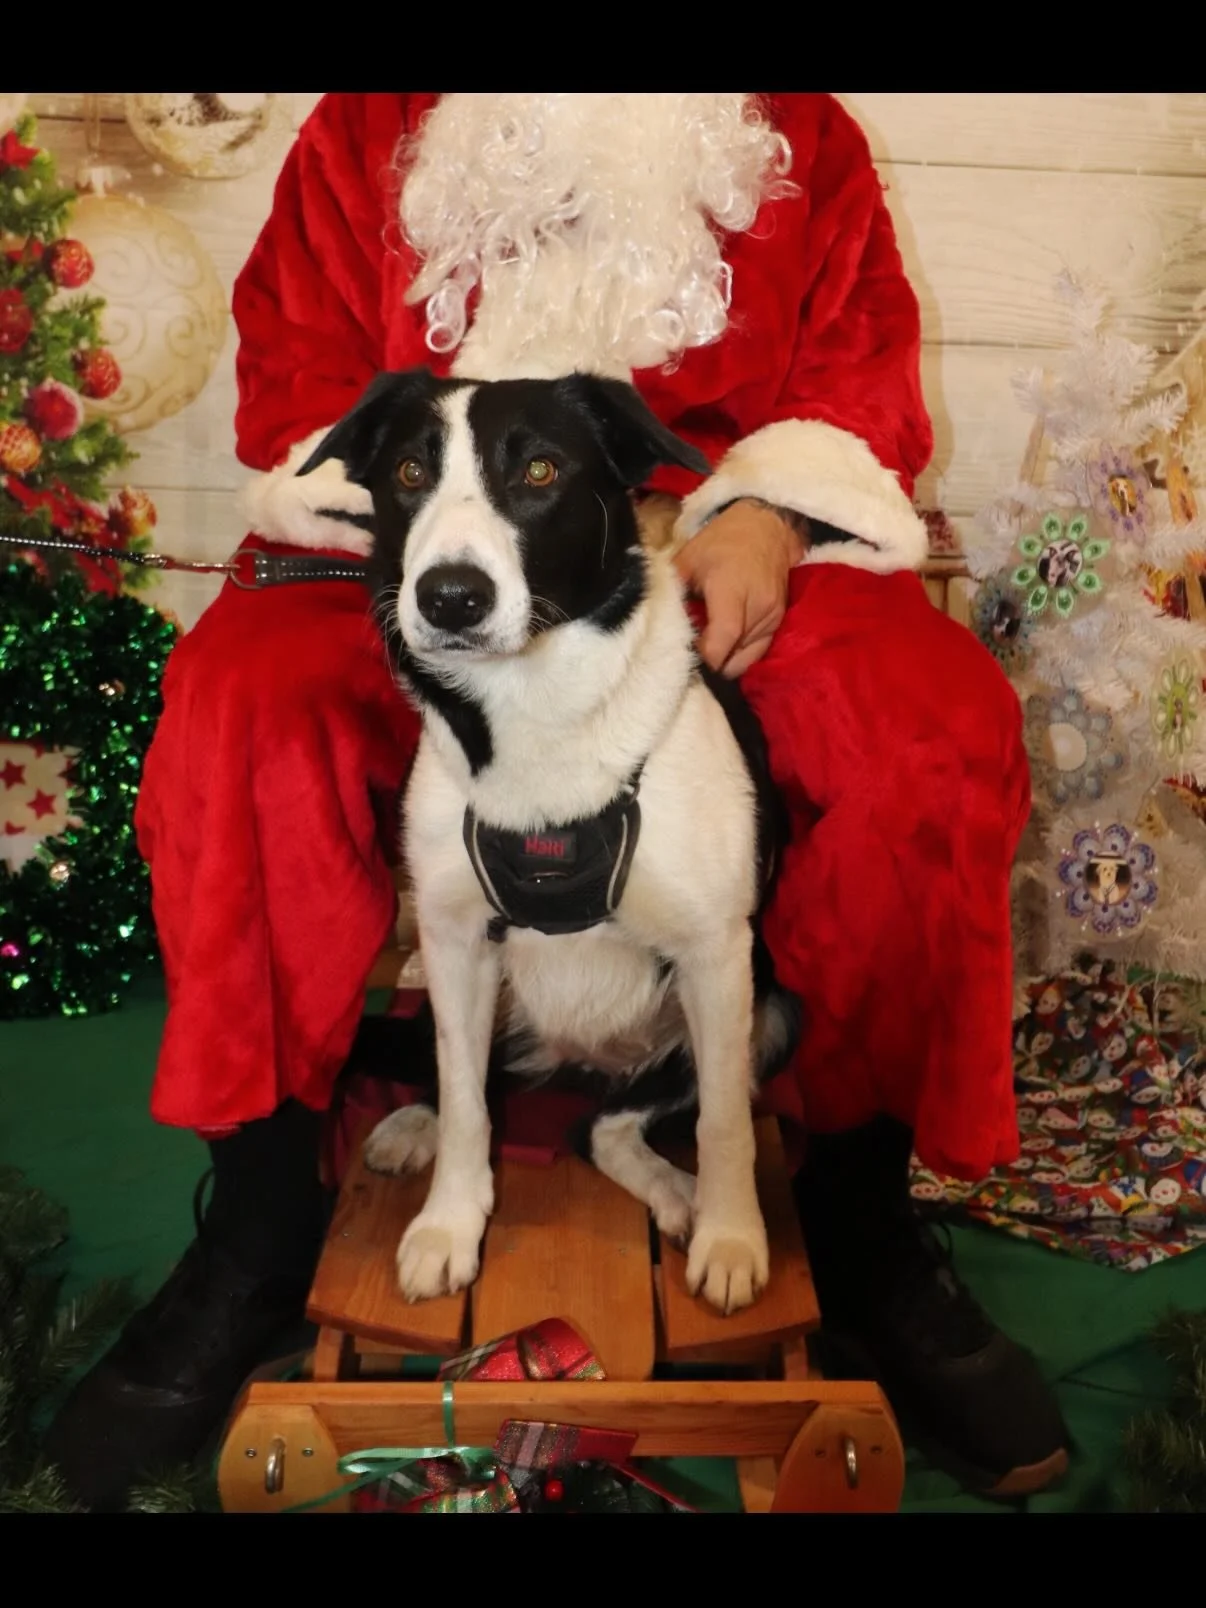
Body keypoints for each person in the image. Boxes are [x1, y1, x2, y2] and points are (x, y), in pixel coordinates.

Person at [45, 92, 1069, 1509]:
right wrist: (423, 531)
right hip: (419, 556)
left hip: (715, 541)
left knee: (929, 726)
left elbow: (856, 383)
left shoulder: (802, 136)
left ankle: (860, 1221)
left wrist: (769, 515)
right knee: (241, 714)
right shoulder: (364, 128)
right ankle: (263, 1226)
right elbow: (299, 384)